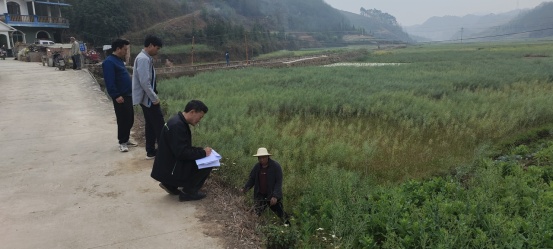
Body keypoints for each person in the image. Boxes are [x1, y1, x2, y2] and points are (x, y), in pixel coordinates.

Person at [151, 100, 213, 202]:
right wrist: (202, 153)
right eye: (200, 117)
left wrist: (200, 150)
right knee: (208, 162)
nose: (200, 120)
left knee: (201, 155)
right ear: (192, 112)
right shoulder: (178, 125)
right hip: (170, 169)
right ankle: (188, 192)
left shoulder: (177, 121)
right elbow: (182, 153)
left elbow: (181, 147)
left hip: (167, 166)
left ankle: (170, 184)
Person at [132, 35, 164, 159]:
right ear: (150, 45)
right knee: (160, 126)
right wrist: (154, 98)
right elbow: (145, 82)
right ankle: (163, 153)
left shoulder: (145, 58)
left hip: (146, 99)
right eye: (157, 48)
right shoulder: (143, 59)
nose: (157, 51)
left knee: (150, 125)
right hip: (149, 100)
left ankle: (151, 151)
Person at [102, 39, 136, 152]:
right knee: (122, 119)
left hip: (127, 94)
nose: (126, 52)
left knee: (129, 118)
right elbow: (109, 81)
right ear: (118, 49)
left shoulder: (119, 60)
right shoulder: (109, 62)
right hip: (120, 96)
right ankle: (122, 142)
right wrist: (116, 95)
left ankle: (126, 139)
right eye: (125, 49)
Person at [240, 148, 289, 223]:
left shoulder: (276, 166)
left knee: (281, 214)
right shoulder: (257, 167)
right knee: (255, 215)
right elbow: (252, 180)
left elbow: (278, 182)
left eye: (263, 157)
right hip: (261, 196)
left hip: (272, 196)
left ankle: (288, 227)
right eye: (259, 158)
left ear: (267, 157)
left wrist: (275, 196)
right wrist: (244, 189)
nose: (261, 159)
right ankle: (254, 229)